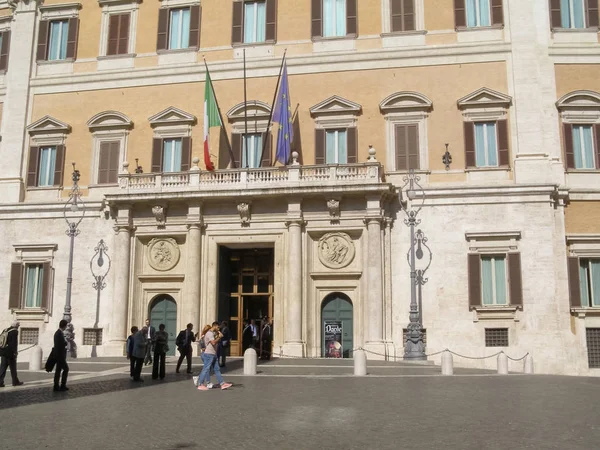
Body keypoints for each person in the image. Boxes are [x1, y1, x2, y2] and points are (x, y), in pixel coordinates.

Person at [197, 322, 232, 391]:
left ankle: (222, 384)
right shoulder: (209, 333)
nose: (218, 329)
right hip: (209, 354)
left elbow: (216, 341)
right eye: (218, 327)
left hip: (213, 354)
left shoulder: (213, 333)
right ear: (215, 326)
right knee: (206, 369)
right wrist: (219, 337)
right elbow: (213, 342)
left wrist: (218, 336)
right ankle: (200, 384)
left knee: (217, 369)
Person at [0, 321, 23, 388]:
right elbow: (14, 343)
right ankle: (15, 382)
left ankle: (0, 382)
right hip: (10, 353)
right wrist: (15, 352)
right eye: (18, 325)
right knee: (13, 368)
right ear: (16, 326)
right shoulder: (15, 332)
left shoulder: (5, 330)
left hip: (3, 352)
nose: (18, 327)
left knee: (2, 368)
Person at [53, 320, 69, 392]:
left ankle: (56, 386)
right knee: (66, 369)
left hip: (59, 355)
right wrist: (65, 343)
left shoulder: (59, 333)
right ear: (64, 326)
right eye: (66, 325)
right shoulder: (59, 333)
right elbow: (59, 345)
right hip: (60, 355)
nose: (66, 327)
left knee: (58, 370)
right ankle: (62, 385)